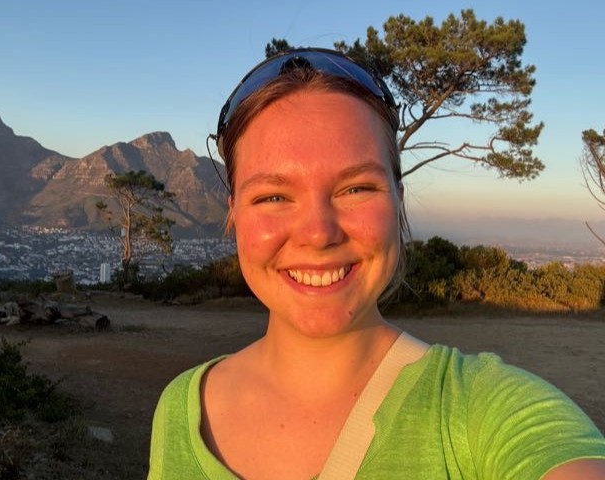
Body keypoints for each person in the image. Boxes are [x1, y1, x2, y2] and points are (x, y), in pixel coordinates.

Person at [148, 48, 605, 479]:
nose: (318, 233)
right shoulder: (181, 408)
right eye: (273, 196)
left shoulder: (480, 408)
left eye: (356, 189)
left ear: (397, 200)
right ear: (234, 214)